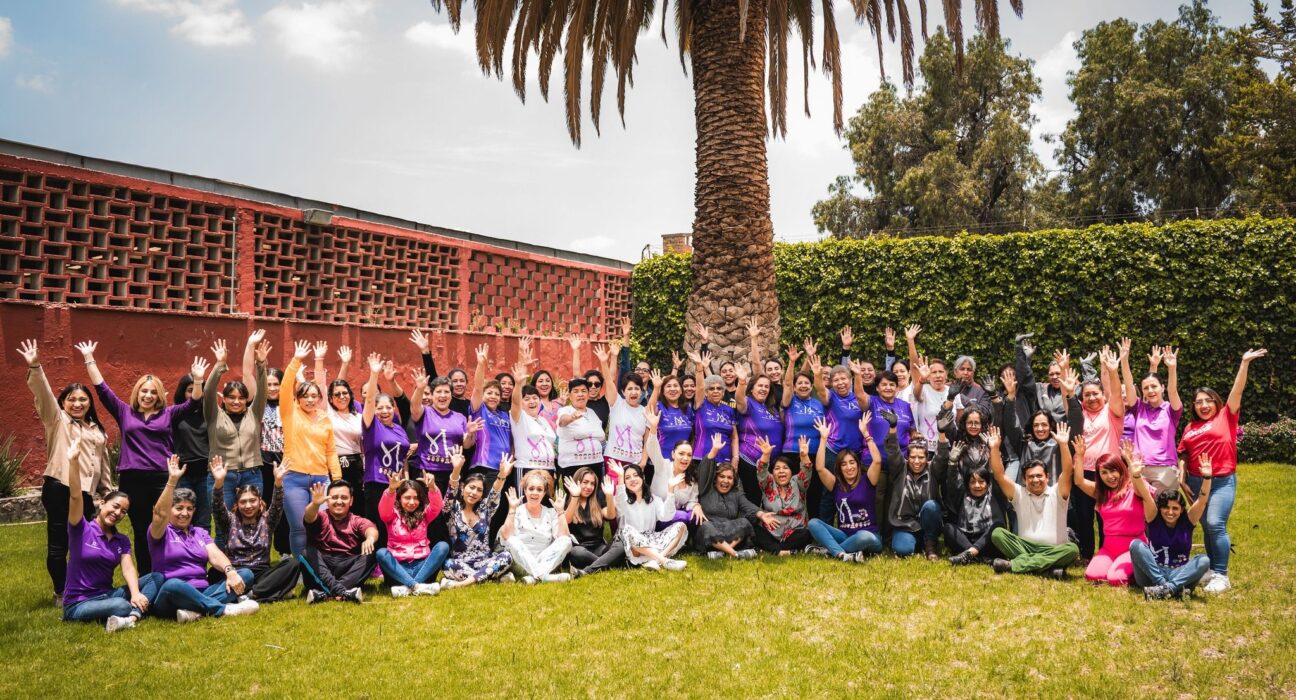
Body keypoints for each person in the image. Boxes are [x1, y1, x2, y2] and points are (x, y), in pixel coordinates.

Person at [75, 340, 204, 573]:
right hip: (132, 478)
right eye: (144, 391)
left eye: (153, 392)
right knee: (141, 528)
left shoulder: (169, 414)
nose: (148, 395)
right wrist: (89, 358)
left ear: (159, 395)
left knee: (165, 526)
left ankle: (170, 571)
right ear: (137, 392)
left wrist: (197, 379)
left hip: (162, 478)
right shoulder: (124, 412)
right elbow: (102, 390)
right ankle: (147, 576)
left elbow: (194, 401)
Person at [18, 339, 114, 601]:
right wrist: (36, 366)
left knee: (87, 542)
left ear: (89, 403)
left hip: (85, 493)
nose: (77, 404)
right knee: (59, 543)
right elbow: (44, 394)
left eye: (83, 399)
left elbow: (102, 463)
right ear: (63, 403)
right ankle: (61, 592)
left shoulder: (96, 429)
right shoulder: (57, 420)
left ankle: (86, 586)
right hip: (60, 488)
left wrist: (107, 493)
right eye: (72, 399)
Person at [1177, 348, 1267, 593]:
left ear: (1216, 402)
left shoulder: (1227, 416)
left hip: (1222, 481)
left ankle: (1222, 575)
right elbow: (1183, 452)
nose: (1204, 405)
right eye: (1199, 402)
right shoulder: (1190, 427)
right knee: (1206, 526)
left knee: (1216, 523)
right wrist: (1182, 476)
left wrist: (1244, 363)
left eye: (1208, 400)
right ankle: (1210, 569)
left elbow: (1237, 391)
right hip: (1196, 482)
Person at [61, 432, 162, 631]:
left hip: (107, 594)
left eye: (123, 511)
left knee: (155, 577)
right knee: (120, 605)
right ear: (101, 503)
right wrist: (73, 462)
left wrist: (135, 593)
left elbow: (128, 568)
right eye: (115, 506)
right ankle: (132, 612)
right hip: (79, 604)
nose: (117, 513)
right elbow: (75, 497)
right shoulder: (80, 528)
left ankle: (131, 617)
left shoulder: (121, 540)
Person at [149, 455, 260, 621]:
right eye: (179, 508)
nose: (184, 513)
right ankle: (223, 609)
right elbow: (159, 514)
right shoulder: (161, 532)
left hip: (204, 590)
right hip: (171, 594)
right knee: (173, 584)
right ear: (170, 509)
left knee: (245, 574)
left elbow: (215, 555)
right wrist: (172, 481)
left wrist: (230, 571)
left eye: (189, 509)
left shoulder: (199, 532)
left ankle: (195, 611)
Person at [986, 425, 1079, 578]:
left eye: (1039, 476)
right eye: (1030, 477)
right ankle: (1047, 569)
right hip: (1025, 547)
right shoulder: (1019, 493)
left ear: (1047, 477)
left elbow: (1068, 472)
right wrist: (995, 448)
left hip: (1054, 549)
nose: (1035, 480)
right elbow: (999, 475)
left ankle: (1015, 565)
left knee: (1072, 550)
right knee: (997, 534)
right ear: (1024, 480)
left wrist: (1063, 445)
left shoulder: (1057, 492)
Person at [203, 337, 270, 540]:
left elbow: (263, 390)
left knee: (254, 524)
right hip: (223, 475)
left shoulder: (254, 413)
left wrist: (261, 364)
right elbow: (208, 391)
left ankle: (253, 558)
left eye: (241, 398)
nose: (236, 401)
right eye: (231, 397)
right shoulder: (214, 415)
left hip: (252, 473)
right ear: (223, 399)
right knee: (223, 526)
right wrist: (219, 365)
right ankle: (223, 561)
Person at [209, 456, 302, 602]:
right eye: (243, 502)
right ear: (237, 504)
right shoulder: (229, 521)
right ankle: (269, 593)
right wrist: (219, 482)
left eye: (252, 501)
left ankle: (252, 594)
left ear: (260, 502)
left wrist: (278, 481)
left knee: (292, 564)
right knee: (214, 573)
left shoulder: (268, 520)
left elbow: (277, 504)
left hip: (262, 574)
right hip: (236, 572)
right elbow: (217, 506)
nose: (248, 506)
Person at [280, 340, 342, 556]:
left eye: (314, 396)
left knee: (321, 526)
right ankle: (299, 568)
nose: (310, 399)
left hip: (321, 480)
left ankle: (321, 567)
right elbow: (285, 387)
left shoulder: (325, 419)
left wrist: (337, 479)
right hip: (293, 479)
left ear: (320, 398)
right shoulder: (290, 413)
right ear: (297, 399)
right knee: (299, 528)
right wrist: (296, 360)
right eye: (305, 396)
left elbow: (331, 451)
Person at [1073, 345, 1127, 562]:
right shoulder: (1080, 413)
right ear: (1082, 398)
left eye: (1095, 393)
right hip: (1084, 471)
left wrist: (1112, 372)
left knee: (1106, 516)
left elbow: (1116, 394)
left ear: (1103, 395)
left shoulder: (1112, 412)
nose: (1092, 397)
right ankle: (1087, 554)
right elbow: (1068, 399)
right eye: (1087, 395)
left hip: (1108, 472)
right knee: (1084, 516)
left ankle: (1107, 552)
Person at [1132, 457, 1214, 600]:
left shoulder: (1188, 520)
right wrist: (1137, 475)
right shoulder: (1153, 517)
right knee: (1136, 545)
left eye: (1175, 508)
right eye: (1166, 507)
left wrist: (1207, 477)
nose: (1170, 512)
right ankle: (1170, 588)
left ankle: (1165, 590)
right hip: (1152, 572)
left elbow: (1202, 501)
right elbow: (1145, 495)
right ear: (1160, 508)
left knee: (1204, 560)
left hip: (1179, 573)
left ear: (1182, 510)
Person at [805, 416, 885, 562]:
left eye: (852, 462)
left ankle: (830, 551)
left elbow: (877, 461)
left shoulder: (868, 480)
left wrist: (866, 434)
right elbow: (820, 468)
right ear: (840, 468)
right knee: (813, 523)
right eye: (844, 464)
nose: (849, 467)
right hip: (845, 535)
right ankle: (843, 554)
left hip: (870, 536)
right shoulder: (835, 485)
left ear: (858, 465)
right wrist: (823, 439)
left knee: (864, 537)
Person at [1073, 439, 1151, 586]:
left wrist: (1129, 461)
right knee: (1092, 575)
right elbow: (1079, 481)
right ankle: (1115, 566)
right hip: (1109, 547)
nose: (1110, 476)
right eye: (1104, 472)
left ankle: (1139, 570)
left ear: (1121, 469)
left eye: (1113, 470)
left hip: (1133, 546)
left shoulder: (1134, 488)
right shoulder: (1100, 492)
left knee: (1116, 579)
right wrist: (1080, 456)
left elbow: (1139, 484)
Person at [694, 433, 779, 559]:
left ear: (733, 481)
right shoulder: (706, 488)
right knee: (706, 527)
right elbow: (704, 469)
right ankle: (734, 554)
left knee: (744, 522)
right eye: (722, 476)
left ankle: (724, 552)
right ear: (715, 479)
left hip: (729, 532)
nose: (725, 481)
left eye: (729, 478)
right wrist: (714, 451)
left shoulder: (735, 494)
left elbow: (748, 506)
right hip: (710, 534)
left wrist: (762, 515)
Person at [441, 449, 515, 588]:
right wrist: (456, 469)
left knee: (506, 556)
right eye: (471, 487)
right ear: (462, 488)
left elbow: (495, 492)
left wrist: (502, 474)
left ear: (482, 495)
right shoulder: (451, 509)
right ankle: (492, 577)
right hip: (461, 563)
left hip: (485, 561)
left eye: (479, 490)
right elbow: (451, 491)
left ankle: (464, 583)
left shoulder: (485, 509)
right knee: (447, 564)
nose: (474, 492)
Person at [361, 353, 414, 552]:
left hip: (397, 485)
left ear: (393, 409)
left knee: (395, 525)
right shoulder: (371, 426)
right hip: (377, 483)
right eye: (379, 408)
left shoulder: (399, 429)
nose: (384, 411)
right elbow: (368, 402)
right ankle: (374, 561)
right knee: (377, 525)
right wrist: (374, 374)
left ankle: (393, 557)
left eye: (388, 407)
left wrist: (405, 480)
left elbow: (402, 457)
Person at [375, 467, 449, 597]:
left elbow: (437, 506)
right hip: (398, 569)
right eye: (407, 498)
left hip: (422, 567)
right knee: (381, 553)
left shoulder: (424, 514)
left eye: (416, 498)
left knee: (443, 546)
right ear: (399, 498)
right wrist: (391, 490)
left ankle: (409, 587)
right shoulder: (391, 515)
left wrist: (432, 488)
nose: (412, 502)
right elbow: (384, 509)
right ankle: (417, 586)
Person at [301, 480, 378, 603]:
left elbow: (371, 529)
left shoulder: (356, 520)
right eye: (334, 497)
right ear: (327, 501)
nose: (339, 501)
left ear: (351, 501)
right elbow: (309, 517)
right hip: (322, 566)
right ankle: (342, 592)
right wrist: (315, 504)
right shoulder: (320, 517)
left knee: (371, 554)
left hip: (347, 567)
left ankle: (325, 594)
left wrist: (370, 538)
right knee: (307, 552)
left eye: (344, 498)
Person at [810, 351, 866, 521]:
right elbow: (820, 390)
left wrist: (858, 375)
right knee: (830, 491)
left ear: (850, 380)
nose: (840, 383)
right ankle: (824, 528)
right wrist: (817, 374)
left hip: (855, 453)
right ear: (832, 383)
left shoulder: (858, 398)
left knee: (854, 491)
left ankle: (851, 525)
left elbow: (864, 403)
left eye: (844, 379)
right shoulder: (831, 397)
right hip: (834, 451)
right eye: (836, 380)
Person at [1122, 344, 1182, 495]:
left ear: (1162, 388)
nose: (1150, 390)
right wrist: (1124, 360)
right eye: (1146, 388)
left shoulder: (1171, 410)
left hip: (1165, 470)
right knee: (1139, 509)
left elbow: (1173, 391)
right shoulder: (1139, 408)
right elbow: (1128, 385)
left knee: (1164, 509)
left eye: (1154, 386)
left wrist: (1172, 368)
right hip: (1139, 468)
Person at [606, 460, 689, 570]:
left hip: (650, 539)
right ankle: (664, 561)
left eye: (636, 475)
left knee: (681, 526)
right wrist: (620, 478)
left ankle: (655, 560)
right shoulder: (622, 500)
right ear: (624, 483)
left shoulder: (654, 499)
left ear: (643, 478)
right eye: (627, 478)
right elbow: (620, 504)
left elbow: (666, 516)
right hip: (629, 542)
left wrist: (670, 489)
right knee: (627, 530)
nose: (632, 479)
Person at [881, 413, 942, 560]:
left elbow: (942, 457)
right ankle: (917, 542)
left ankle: (930, 544)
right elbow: (893, 451)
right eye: (913, 457)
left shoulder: (932, 470)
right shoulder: (900, 469)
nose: (917, 461)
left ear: (927, 459)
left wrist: (942, 434)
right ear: (907, 458)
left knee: (931, 506)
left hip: (927, 524)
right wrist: (893, 428)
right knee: (903, 550)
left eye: (921, 457)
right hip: (905, 525)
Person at [410, 370, 481, 494]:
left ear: (451, 395)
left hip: (452, 472)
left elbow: (466, 445)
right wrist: (420, 389)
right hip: (425, 472)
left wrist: (470, 433)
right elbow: (414, 406)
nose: (443, 395)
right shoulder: (424, 412)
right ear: (432, 395)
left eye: (446, 392)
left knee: (449, 506)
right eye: (438, 392)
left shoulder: (460, 417)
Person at [500, 471, 573, 583]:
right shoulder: (517, 511)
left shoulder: (550, 512)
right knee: (512, 540)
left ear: (544, 493)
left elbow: (563, 536)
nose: (535, 492)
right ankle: (544, 577)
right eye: (531, 489)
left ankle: (535, 577)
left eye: (539, 489)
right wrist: (512, 509)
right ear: (525, 490)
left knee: (566, 540)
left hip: (546, 561)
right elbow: (506, 536)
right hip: (521, 562)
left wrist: (560, 512)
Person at [597, 342, 649, 484]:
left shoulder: (645, 411)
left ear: (641, 392)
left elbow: (647, 440)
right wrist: (604, 363)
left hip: (636, 463)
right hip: (614, 460)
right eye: (629, 389)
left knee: (633, 494)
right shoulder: (617, 403)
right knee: (614, 494)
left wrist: (643, 461)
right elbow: (609, 380)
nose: (633, 392)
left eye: (637, 389)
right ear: (623, 392)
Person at [751, 436, 813, 555]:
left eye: (785, 468)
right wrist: (766, 455)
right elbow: (761, 470)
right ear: (773, 472)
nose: (781, 471)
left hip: (794, 532)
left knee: (806, 534)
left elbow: (806, 470)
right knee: (752, 529)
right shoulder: (768, 483)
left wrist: (804, 456)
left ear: (791, 472)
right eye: (777, 468)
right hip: (770, 532)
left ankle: (774, 549)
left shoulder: (798, 483)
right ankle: (785, 551)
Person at [734, 362, 784, 506]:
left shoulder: (771, 408)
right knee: (753, 502)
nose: (763, 389)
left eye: (766, 386)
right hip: (750, 461)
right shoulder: (748, 403)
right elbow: (739, 400)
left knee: (768, 504)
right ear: (752, 388)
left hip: (770, 464)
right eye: (760, 386)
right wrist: (742, 382)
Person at [562, 467, 624, 576]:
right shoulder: (568, 501)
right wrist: (575, 496)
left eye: (592, 484)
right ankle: (606, 563)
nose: (589, 487)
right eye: (585, 482)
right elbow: (566, 520)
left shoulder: (597, 500)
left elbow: (611, 516)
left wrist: (609, 495)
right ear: (577, 482)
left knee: (621, 546)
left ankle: (588, 570)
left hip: (599, 547)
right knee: (577, 553)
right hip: (579, 549)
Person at [943, 463, 1005, 566]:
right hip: (967, 540)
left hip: (986, 541)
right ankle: (980, 559)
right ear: (967, 485)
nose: (977, 485)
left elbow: (998, 476)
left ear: (988, 483)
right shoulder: (962, 495)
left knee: (997, 526)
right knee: (948, 528)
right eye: (972, 482)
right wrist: (953, 463)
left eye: (981, 482)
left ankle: (969, 555)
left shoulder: (995, 495)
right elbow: (952, 482)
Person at [510, 354, 558, 482]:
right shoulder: (519, 417)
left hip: (548, 470)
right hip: (527, 468)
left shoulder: (543, 420)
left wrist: (553, 468)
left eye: (535, 398)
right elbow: (515, 401)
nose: (532, 401)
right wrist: (518, 384)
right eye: (527, 399)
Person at [468, 344, 512, 475]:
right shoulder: (479, 410)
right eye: (489, 393)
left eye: (497, 394)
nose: (493, 396)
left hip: (504, 469)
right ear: (482, 395)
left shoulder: (505, 415)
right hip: (484, 466)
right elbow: (477, 388)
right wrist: (481, 364)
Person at [259, 365, 290, 555]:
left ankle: (284, 550)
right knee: (262, 508)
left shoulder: (289, 404)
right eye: (268, 384)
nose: (272, 388)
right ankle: (259, 550)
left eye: (276, 384)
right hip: (262, 464)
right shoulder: (258, 404)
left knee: (283, 509)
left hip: (284, 463)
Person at [780, 343, 826, 461]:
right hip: (792, 452)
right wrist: (792, 362)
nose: (803, 386)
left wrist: (810, 356)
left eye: (806, 383)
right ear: (794, 388)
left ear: (811, 387)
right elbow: (788, 383)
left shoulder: (819, 404)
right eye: (799, 383)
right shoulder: (789, 401)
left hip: (815, 453)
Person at [556, 377, 607, 483]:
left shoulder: (592, 412)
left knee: (594, 493)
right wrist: (572, 417)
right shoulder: (565, 410)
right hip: (572, 466)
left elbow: (601, 436)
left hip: (596, 464)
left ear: (588, 394)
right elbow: (562, 421)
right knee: (575, 493)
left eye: (583, 391)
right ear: (570, 395)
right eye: (576, 391)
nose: (580, 394)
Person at [645, 370, 694, 464]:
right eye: (668, 386)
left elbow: (692, 436)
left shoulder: (687, 410)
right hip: (661, 461)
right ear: (663, 392)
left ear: (681, 391)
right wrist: (656, 388)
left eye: (675, 386)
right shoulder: (659, 407)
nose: (672, 389)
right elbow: (649, 411)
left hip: (682, 462)